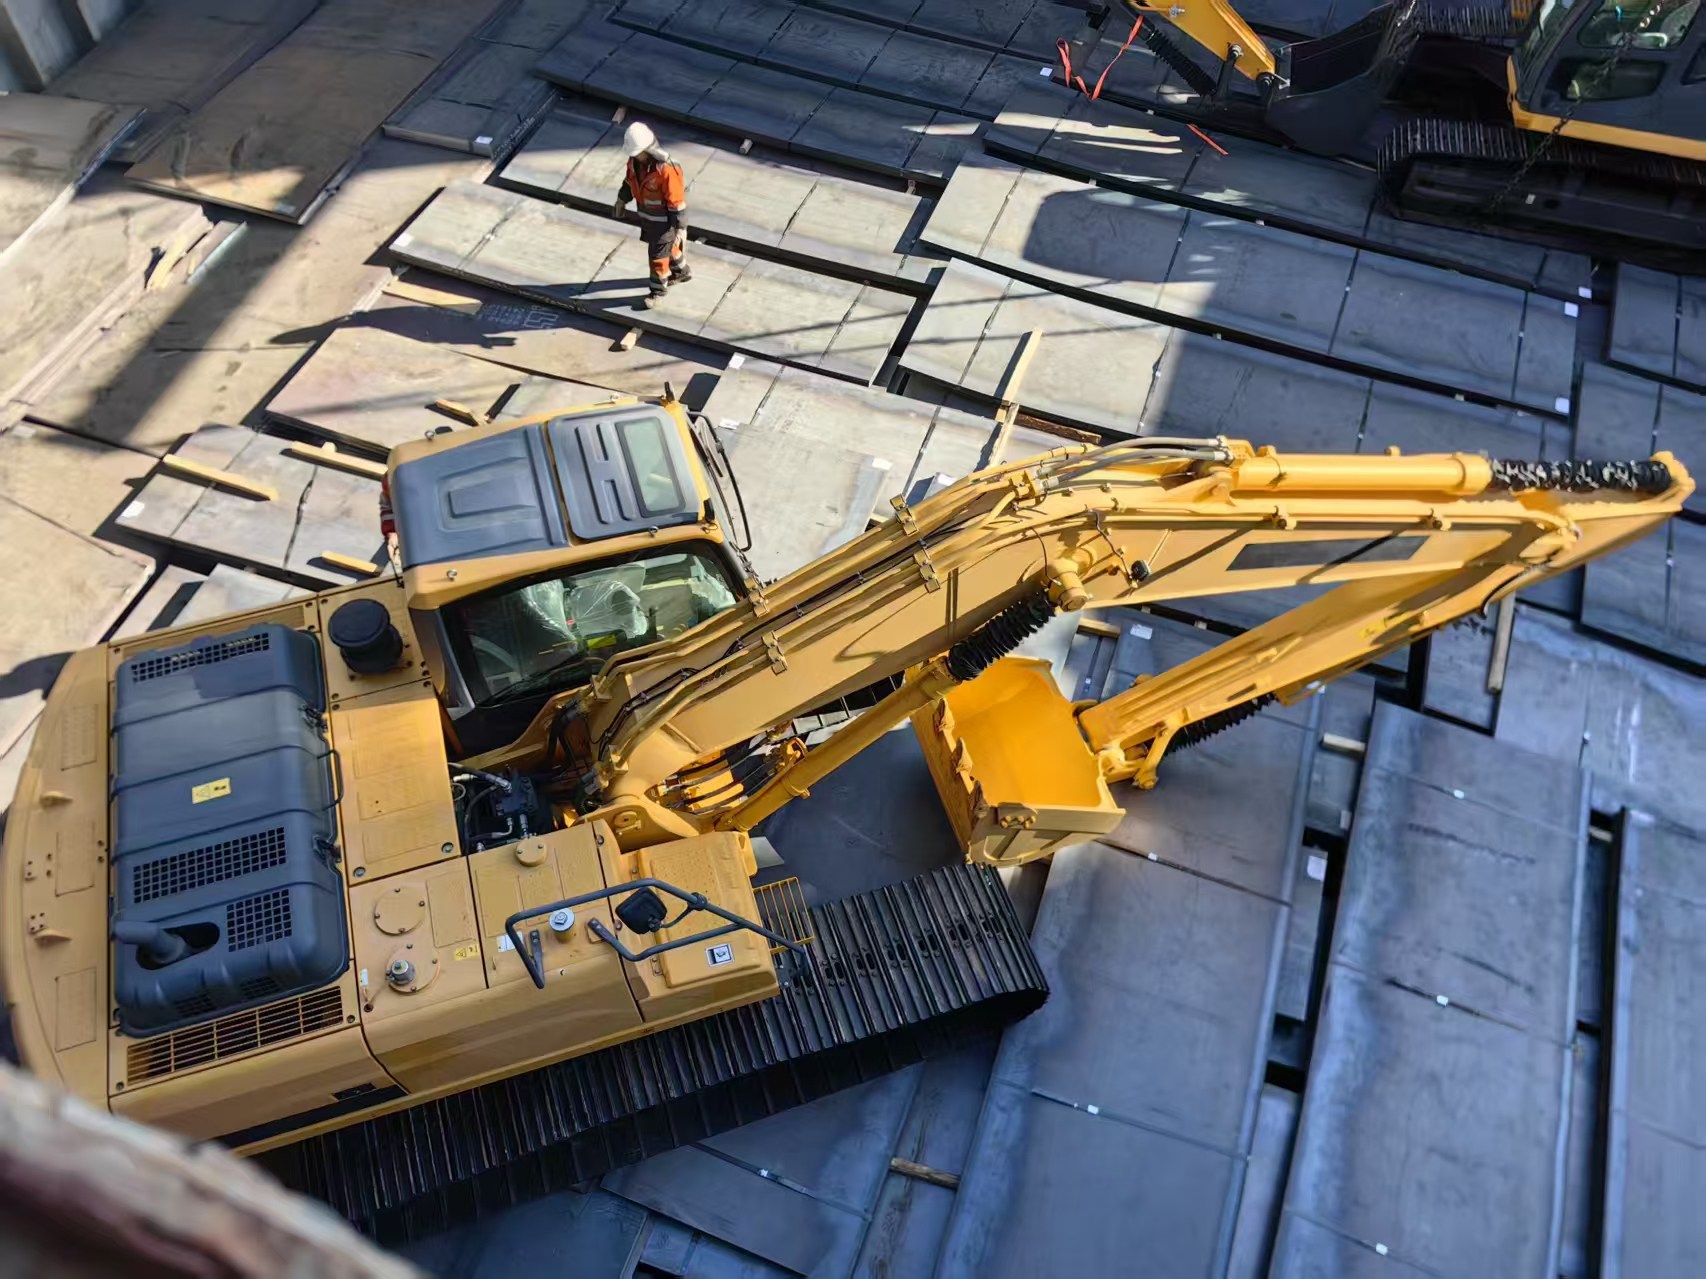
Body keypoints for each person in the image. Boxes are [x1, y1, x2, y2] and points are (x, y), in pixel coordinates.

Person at [611, 122, 691, 307]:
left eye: (638, 153)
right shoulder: (634, 163)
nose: (636, 157)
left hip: (665, 224)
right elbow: (629, 183)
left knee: (657, 257)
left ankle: (657, 291)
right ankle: (682, 271)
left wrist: (680, 228)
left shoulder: (667, 169)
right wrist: (621, 200)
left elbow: (676, 202)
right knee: (667, 248)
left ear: (649, 149)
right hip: (649, 220)